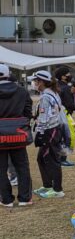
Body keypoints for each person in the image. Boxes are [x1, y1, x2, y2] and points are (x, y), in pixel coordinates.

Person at [0, 65, 33, 207]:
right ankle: (25, 198)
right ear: (9, 75)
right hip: (18, 133)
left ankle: (5, 199)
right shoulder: (21, 91)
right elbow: (28, 111)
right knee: (22, 166)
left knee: (0, 168)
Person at [31, 71, 66, 199]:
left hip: (49, 130)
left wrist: (40, 133)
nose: (34, 84)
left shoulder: (46, 96)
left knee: (51, 160)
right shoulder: (53, 93)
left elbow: (44, 117)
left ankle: (57, 190)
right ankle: (47, 185)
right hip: (54, 129)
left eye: (36, 81)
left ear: (41, 82)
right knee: (41, 158)